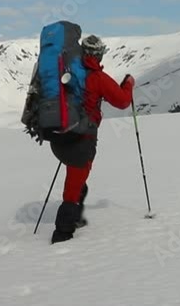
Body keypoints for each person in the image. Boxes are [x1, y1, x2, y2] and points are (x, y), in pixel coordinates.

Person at [48, 34, 135, 244]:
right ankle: (63, 233)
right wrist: (129, 84)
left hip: (59, 136)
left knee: (77, 176)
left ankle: (75, 217)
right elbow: (123, 101)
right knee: (75, 180)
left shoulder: (66, 70)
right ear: (98, 54)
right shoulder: (97, 78)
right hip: (81, 138)